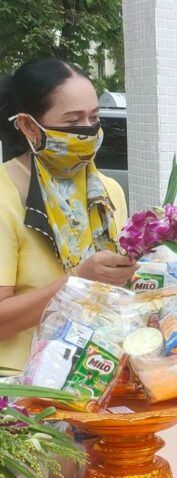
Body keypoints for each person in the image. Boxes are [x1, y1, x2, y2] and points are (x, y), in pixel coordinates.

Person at [0, 58, 135, 372]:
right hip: (23, 392)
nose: (88, 131)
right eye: (73, 121)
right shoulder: (5, 194)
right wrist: (78, 281)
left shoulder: (107, 191)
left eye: (94, 117)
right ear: (29, 126)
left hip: (95, 375)